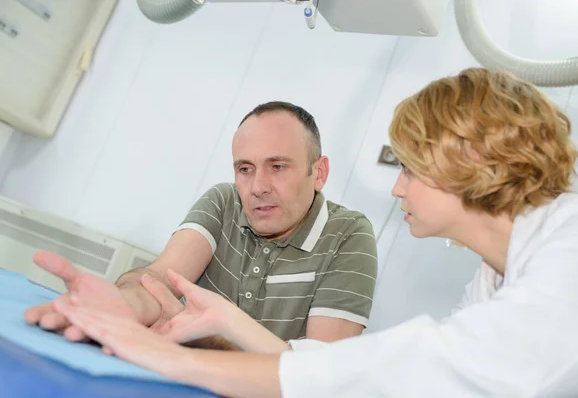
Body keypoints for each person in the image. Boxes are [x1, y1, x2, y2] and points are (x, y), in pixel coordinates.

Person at [51, 68, 578, 397]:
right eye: (246, 169)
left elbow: (411, 372)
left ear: (469, 158)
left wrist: (174, 358)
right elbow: (353, 379)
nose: (398, 190)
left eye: (409, 168)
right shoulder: (492, 280)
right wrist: (219, 320)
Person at [25, 101, 379, 348]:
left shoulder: (349, 235)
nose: (257, 187)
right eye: (245, 168)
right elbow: (161, 278)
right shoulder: (225, 201)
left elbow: (318, 376)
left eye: (278, 166)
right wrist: (124, 302)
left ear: (319, 173)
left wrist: (202, 335)